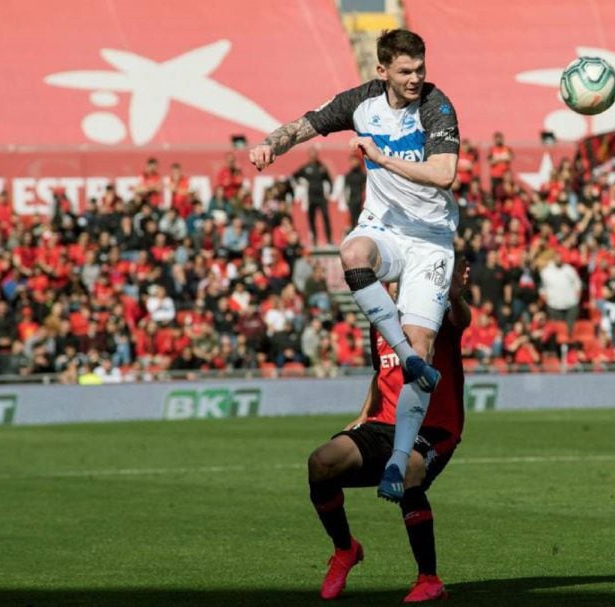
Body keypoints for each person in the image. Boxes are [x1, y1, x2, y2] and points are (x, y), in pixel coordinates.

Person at [250, 29, 460, 502]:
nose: (416, 78)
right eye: (405, 71)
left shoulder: (437, 106)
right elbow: (307, 124)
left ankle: (396, 462)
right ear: (382, 71)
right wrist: (271, 145)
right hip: (384, 229)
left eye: (420, 69)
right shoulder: (360, 102)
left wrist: (381, 157)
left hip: (429, 240)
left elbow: (444, 173)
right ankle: (403, 353)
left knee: (424, 352)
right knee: (352, 253)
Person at [306, 258, 470, 602]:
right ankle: (345, 549)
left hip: (435, 427)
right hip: (384, 423)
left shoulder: (434, 312)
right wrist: (365, 413)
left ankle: (429, 579)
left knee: (410, 467)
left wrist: (454, 296)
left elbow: (461, 320)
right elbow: (381, 371)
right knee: (321, 462)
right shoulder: (380, 319)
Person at [293, 147, 334, 246]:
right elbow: (294, 176)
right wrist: (300, 183)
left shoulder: (322, 167)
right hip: (311, 197)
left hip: (321, 197)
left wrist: (330, 193)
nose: (313, 156)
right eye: (311, 154)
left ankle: (329, 240)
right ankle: (314, 240)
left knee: (325, 217)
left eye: (314, 154)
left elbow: (329, 180)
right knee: (311, 219)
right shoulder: (305, 168)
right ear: (309, 155)